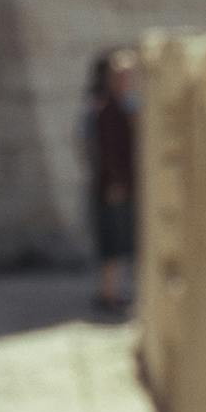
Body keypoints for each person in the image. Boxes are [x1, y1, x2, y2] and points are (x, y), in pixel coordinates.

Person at [82, 47, 139, 316]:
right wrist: (114, 183)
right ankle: (109, 294)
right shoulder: (105, 109)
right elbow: (103, 151)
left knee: (122, 241)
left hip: (120, 185)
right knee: (112, 242)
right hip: (112, 188)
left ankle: (112, 293)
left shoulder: (124, 105)